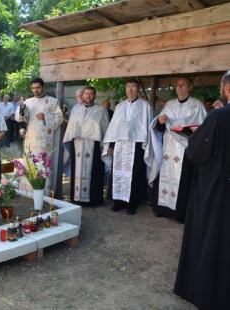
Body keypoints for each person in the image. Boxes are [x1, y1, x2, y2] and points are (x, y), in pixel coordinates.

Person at [174, 70, 230, 309]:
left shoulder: (218, 117)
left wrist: (196, 135)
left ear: (227, 90)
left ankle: (209, 292)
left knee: (212, 240)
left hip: (217, 190)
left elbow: (196, 153)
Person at [150, 77, 207, 222]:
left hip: (185, 149)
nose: (179, 87)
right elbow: (158, 127)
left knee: (183, 180)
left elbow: (203, 129)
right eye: (177, 85)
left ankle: (180, 213)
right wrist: (161, 122)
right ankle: (161, 208)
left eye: (182, 85)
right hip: (168, 148)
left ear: (190, 87)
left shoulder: (197, 105)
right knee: (164, 175)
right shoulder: (169, 104)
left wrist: (186, 129)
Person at [103, 80, 154, 215]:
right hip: (120, 145)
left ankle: (132, 203)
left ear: (137, 89)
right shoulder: (120, 106)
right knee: (118, 172)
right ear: (125, 89)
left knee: (134, 175)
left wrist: (146, 145)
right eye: (128, 87)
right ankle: (118, 202)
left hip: (136, 145)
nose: (130, 90)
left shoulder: (145, 106)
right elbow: (114, 127)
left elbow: (148, 128)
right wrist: (112, 144)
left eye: (133, 87)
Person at [62, 86, 110, 204]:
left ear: (94, 96)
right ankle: (77, 198)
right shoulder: (76, 110)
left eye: (91, 94)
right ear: (83, 95)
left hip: (94, 147)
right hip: (77, 145)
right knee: (77, 171)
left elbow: (106, 129)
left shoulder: (101, 111)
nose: (88, 96)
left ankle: (94, 199)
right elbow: (71, 127)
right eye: (86, 94)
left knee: (94, 172)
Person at [15, 78, 63, 191]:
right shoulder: (27, 102)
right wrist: (22, 110)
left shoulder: (52, 101)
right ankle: (29, 190)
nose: (36, 90)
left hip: (44, 141)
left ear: (43, 87)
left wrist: (45, 118)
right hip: (30, 139)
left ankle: (43, 191)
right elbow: (19, 118)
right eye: (33, 88)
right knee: (30, 163)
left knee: (42, 164)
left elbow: (60, 118)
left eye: (38, 87)